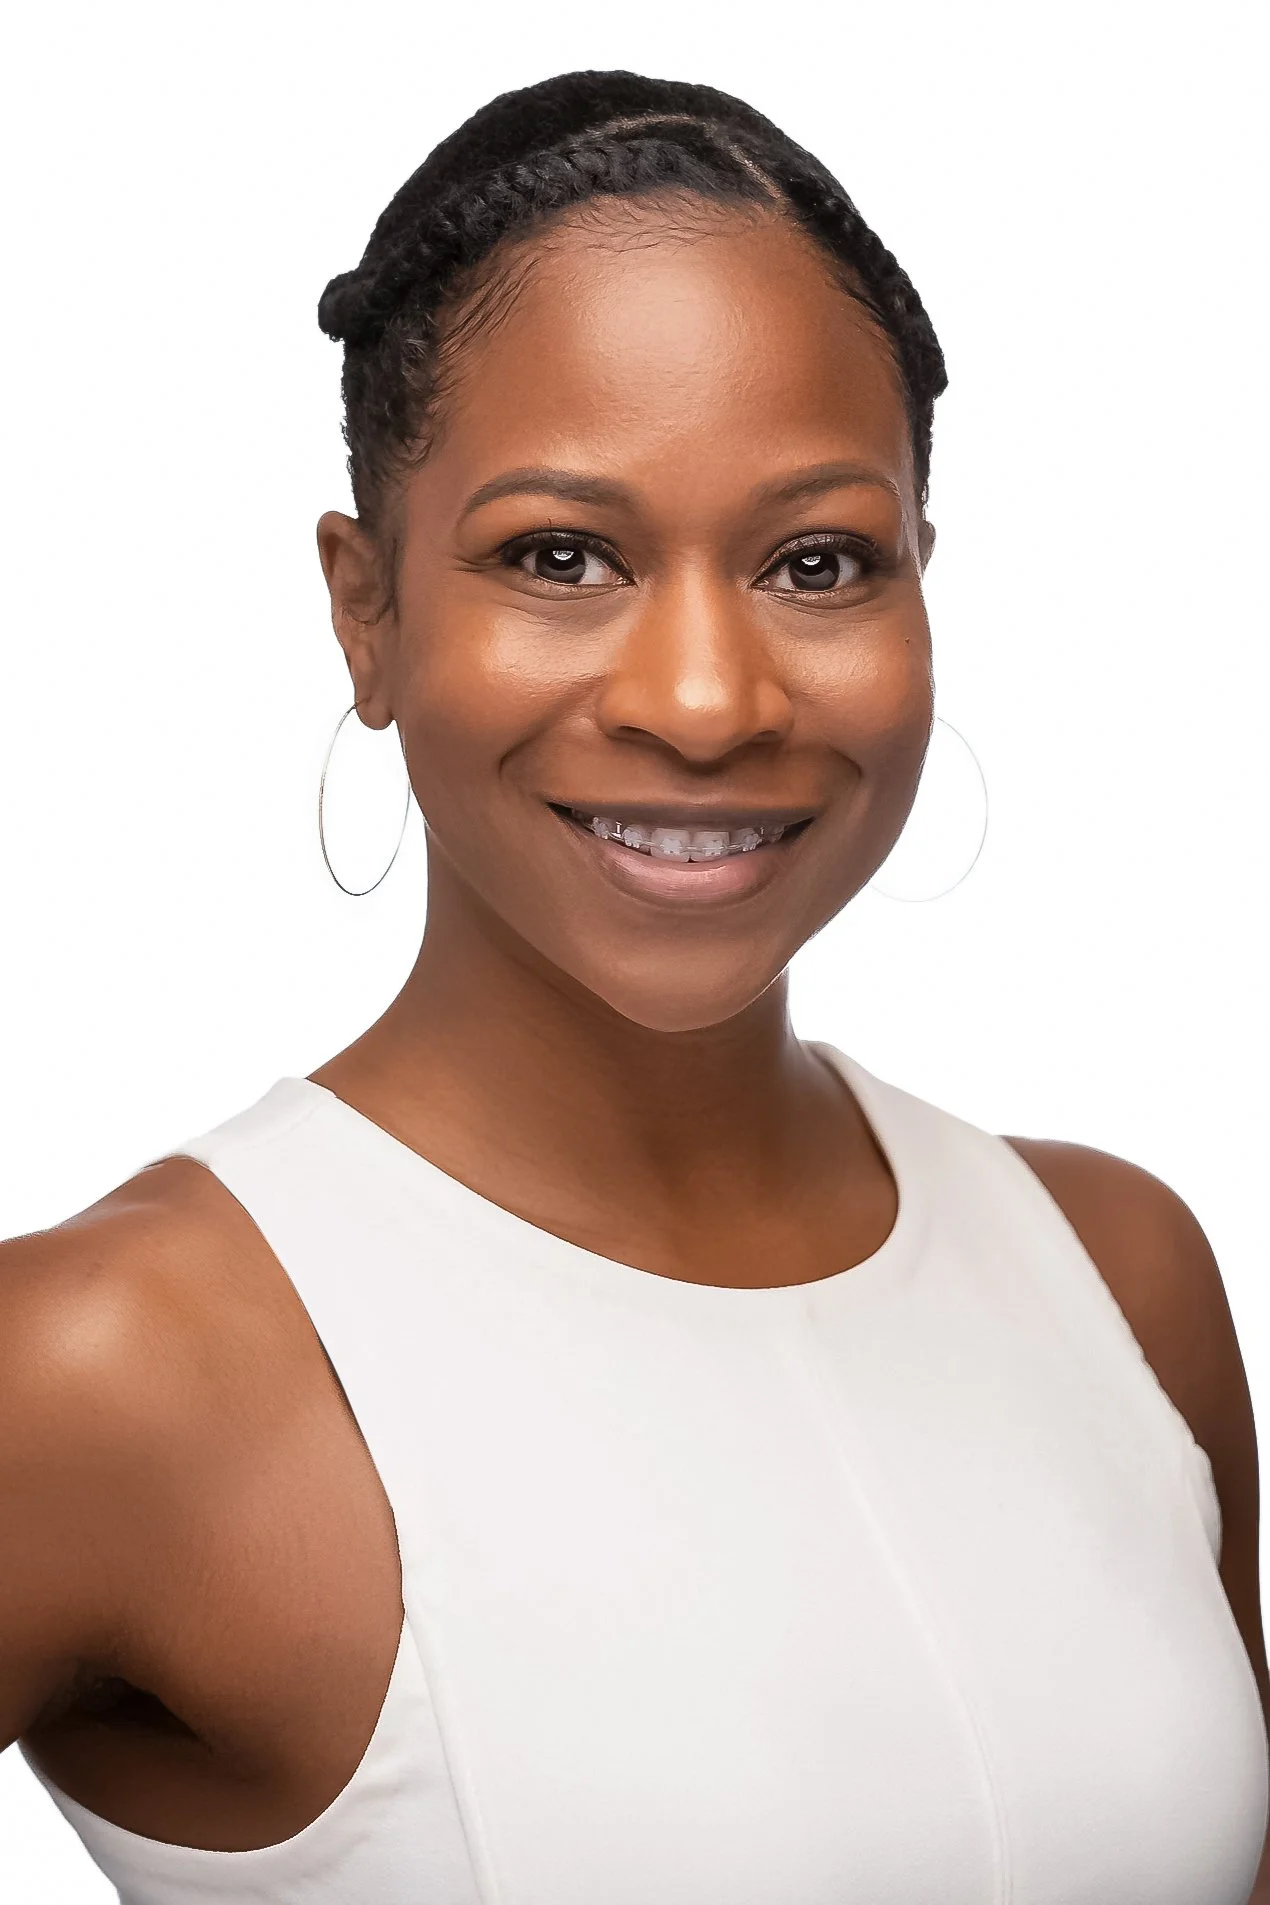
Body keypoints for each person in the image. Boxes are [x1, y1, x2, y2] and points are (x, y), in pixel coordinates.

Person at [2, 66, 1267, 1905]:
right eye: (561, 557)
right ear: (367, 610)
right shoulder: (108, 1370)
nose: (703, 697)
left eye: (816, 560)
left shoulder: (1117, 1270)